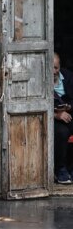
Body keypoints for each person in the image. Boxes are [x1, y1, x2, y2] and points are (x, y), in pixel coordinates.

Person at [54, 52, 73, 184]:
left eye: (56, 68)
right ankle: (61, 169)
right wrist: (57, 115)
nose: (53, 72)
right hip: (54, 118)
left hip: (69, 114)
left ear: (60, 66)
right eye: (50, 68)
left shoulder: (68, 76)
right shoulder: (41, 81)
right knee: (62, 132)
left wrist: (69, 107)